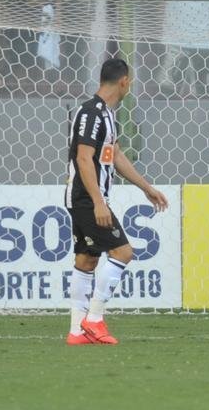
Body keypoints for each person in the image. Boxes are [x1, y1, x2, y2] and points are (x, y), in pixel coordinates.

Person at [65, 58, 170, 345]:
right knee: (123, 252)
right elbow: (83, 159)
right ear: (124, 81)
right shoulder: (90, 113)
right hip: (87, 198)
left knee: (87, 259)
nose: (129, 86)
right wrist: (98, 202)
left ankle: (77, 331)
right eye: (130, 82)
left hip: (89, 198)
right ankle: (94, 320)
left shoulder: (108, 115)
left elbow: (116, 156)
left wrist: (146, 188)